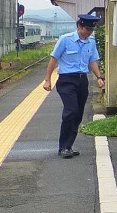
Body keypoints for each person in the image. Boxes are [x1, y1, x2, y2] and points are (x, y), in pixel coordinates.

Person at [43, 12, 105, 158]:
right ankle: (63, 147)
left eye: (91, 30)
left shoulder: (91, 41)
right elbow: (54, 59)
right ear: (79, 26)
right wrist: (47, 79)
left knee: (77, 114)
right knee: (71, 111)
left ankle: (68, 146)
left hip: (82, 81)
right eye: (87, 30)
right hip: (66, 80)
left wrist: (99, 77)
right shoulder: (65, 40)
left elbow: (92, 60)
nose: (89, 33)